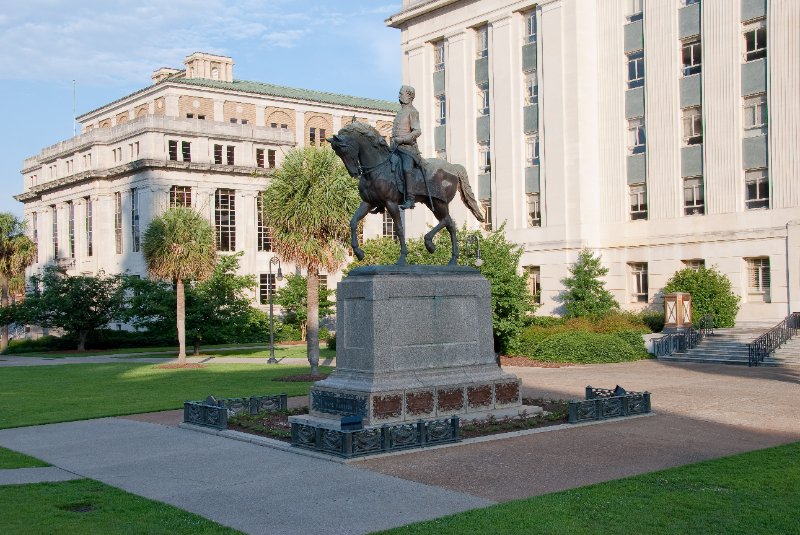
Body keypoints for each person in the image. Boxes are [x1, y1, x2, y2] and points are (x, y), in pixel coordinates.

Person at [391, 85, 422, 210]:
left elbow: (417, 132)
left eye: (401, 93)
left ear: (409, 96)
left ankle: (410, 199)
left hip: (408, 149)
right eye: (399, 93)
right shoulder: (400, 112)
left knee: (406, 168)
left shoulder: (413, 112)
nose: (399, 96)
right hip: (395, 147)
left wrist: (403, 139)